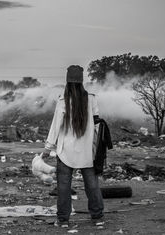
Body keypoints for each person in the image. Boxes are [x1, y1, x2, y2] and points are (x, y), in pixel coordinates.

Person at [42, 65, 104, 227]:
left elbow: (55, 126)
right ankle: (97, 218)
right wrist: (98, 149)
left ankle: (63, 220)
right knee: (92, 185)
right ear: (81, 82)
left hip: (65, 152)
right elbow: (97, 125)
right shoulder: (91, 98)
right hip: (87, 152)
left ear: (68, 82)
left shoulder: (63, 101)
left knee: (63, 187)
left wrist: (47, 148)